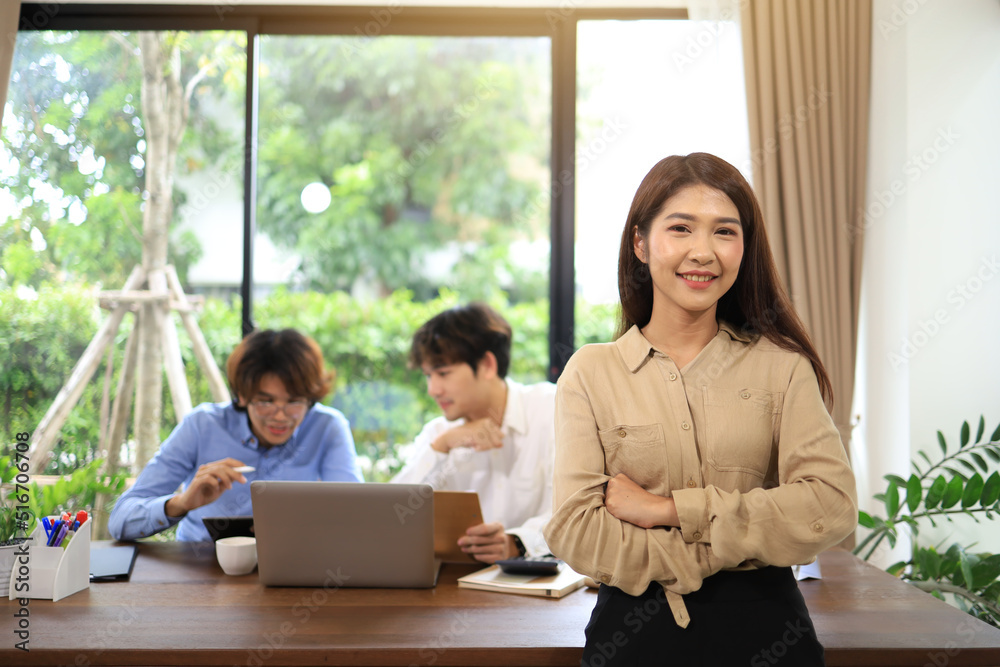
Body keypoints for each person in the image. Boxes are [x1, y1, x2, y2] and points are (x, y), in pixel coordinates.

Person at [543, 153, 857, 665]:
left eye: (725, 232)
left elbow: (831, 507)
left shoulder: (783, 368)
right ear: (641, 244)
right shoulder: (592, 372)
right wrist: (727, 546)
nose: (703, 252)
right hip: (634, 637)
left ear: (744, 248)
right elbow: (575, 531)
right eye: (681, 228)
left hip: (768, 633)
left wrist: (666, 510)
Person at [109, 328, 363, 542]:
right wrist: (182, 502)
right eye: (266, 401)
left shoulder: (327, 427)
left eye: (295, 401)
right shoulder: (202, 426)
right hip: (201, 572)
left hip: (292, 568)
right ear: (242, 396)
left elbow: (357, 517)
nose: (280, 416)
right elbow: (120, 520)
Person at [392, 303, 556, 563]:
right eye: (428, 375)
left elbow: (574, 509)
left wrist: (517, 542)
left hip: (542, 583)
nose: (433, 389)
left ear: (488, 365)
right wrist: (444, 445)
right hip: (456, 586)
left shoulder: (550, 408)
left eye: (443, 373)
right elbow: (392, 519)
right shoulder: (438, 434)